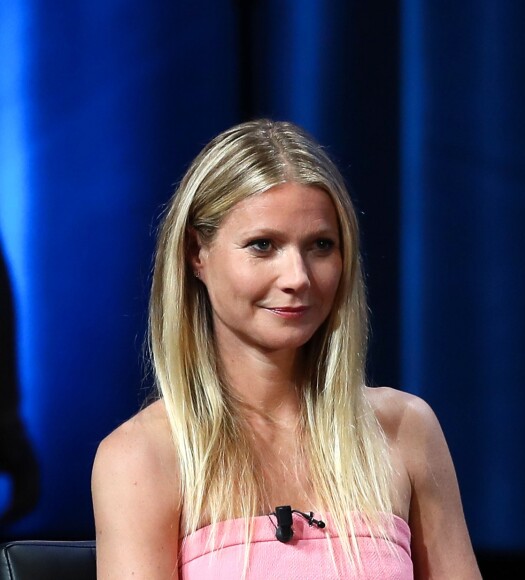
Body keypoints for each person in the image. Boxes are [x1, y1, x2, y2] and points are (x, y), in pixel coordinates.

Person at [91, 119, 482, 579]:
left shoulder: (406, 430)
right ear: (197, 253)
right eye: (263, 245)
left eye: (320, 245)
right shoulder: (142, 456)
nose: (297, 276)